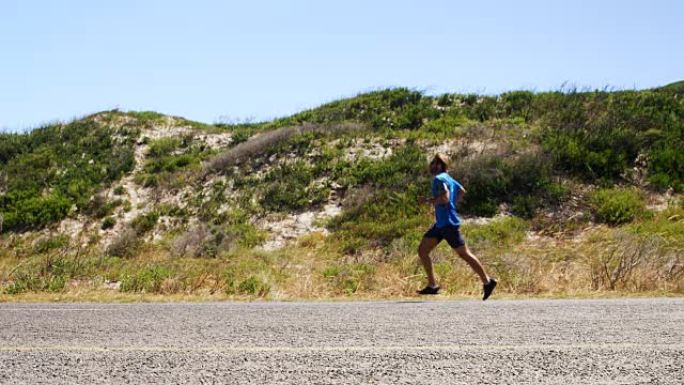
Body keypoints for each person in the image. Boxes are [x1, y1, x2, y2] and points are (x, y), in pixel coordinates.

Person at [416, 153, 497, 300]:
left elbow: (445, 197)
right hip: (441, 224)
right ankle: (432, 286)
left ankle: (488, 281)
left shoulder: (439, 179)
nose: (431, 166)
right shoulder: (449, 178)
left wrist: (430, 201)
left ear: (440, 165)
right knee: (423, 250)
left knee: (464, 254)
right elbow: (461, 191)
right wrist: (453, 205)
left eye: (434, 163)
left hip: (448, 224)